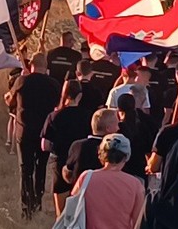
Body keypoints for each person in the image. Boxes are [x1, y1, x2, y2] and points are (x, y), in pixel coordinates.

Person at [7, 53, 60, 218]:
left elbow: (10, 101)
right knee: (41, 166)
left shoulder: (22, 81)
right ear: (46, 67)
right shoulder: (53, 84)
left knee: (25, 168)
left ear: (31, 66)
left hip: (25, 129)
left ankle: (26, 207)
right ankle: (37, 202)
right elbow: (57, 105)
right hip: (44, 131)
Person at [41, 80, 91, 217]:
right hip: (81, 164)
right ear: (80, 96)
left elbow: (44, 145)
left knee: (61, 215)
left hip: (59, 163)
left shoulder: (54, 116)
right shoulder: (87, 116)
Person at [63, 107, 120, 187]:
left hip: (80, 193)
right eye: (117, 124)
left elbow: (68, 171)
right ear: (108, 129)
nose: (119, 128)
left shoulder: (77, 145)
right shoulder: (114, 148)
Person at [114, 92, 154, 182]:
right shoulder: (143, 125)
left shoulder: (117, 129)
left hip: (122, 169)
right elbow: (149, 149)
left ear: (118, 109)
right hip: (140, 169)